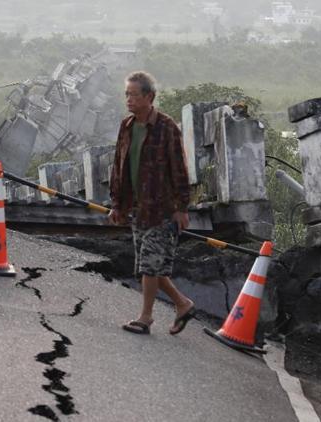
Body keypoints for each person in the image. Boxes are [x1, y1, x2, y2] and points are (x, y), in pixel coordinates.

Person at [108, 71, 196, 335]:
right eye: (127, 94)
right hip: (137, 207)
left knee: (148, 264)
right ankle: (183, 304)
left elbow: (179, 167)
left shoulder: (167, 127)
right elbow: (118, 167)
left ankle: (145, 318)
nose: (129, 100)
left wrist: (182, 208)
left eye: (134, 95)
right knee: (149, 266)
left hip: (162, 209)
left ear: (149, 97)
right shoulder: (126, 126)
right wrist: (117, 203)